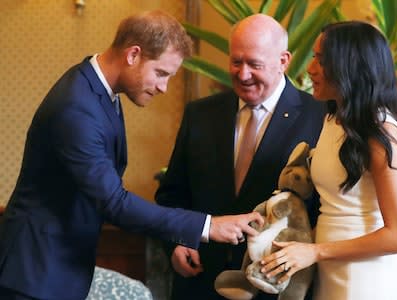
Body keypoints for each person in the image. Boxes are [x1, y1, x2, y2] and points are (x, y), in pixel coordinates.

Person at [0, 10, 264, 300]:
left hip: (53, 268)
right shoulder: (76, 108)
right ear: (133, 55)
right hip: (34, 273)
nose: (163, 87)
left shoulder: (98, 90)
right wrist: (208, 225)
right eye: (161, 73)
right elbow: (114, 202)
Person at [155, 14, 326, 300]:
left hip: (276, 287)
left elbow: (323, 208)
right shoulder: (200, 114)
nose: (243, 74)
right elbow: (172, 195)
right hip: (199, 282)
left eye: (254, 64)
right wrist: (176, 244)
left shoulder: (319, 117)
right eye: (236, 62)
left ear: (284, 61)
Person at [260, 21, 397, 299]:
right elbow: (338, 208)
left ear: (350, 66)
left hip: (369, 281)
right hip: (329, 273)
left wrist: (315, 251)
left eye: (321, 59)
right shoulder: (333, 120)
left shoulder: (382, 131)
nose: (310, 68)